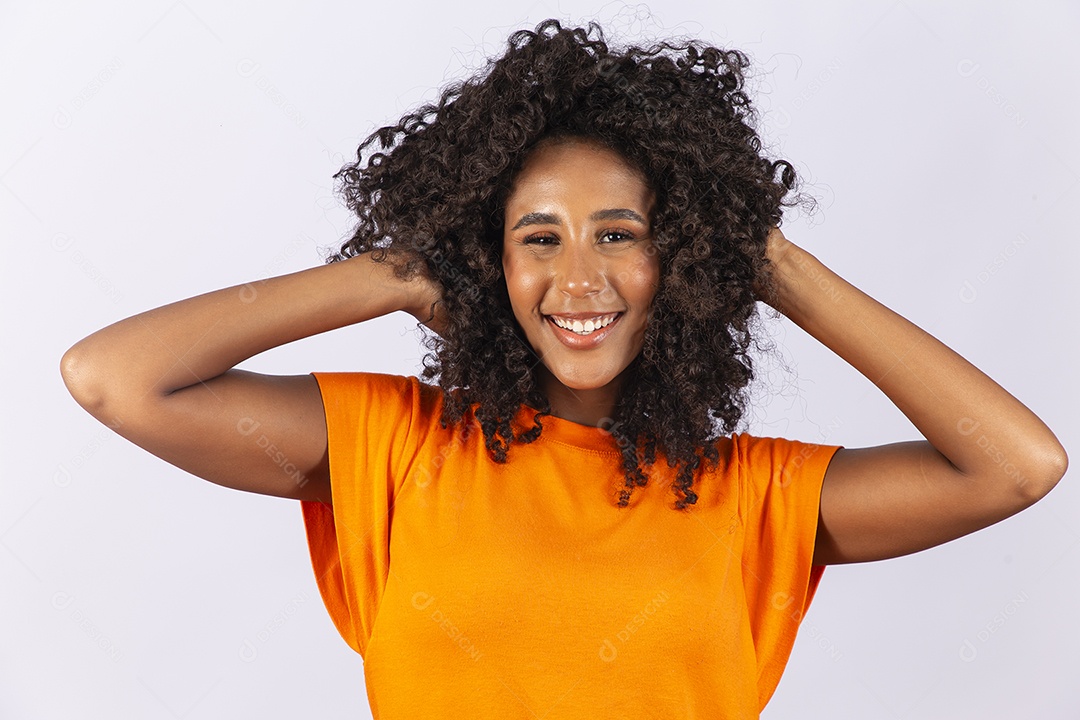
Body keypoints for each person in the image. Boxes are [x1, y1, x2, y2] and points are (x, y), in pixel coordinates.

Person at [59, 18, 1066, 719]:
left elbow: (1017, 464)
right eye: (536, 237)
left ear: (682, 251)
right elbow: (113, 377)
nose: (577, 277)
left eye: (619, 233)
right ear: (487, 257)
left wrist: (770, 263)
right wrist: (399, 274)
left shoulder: (749, 495)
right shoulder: (396, 448)